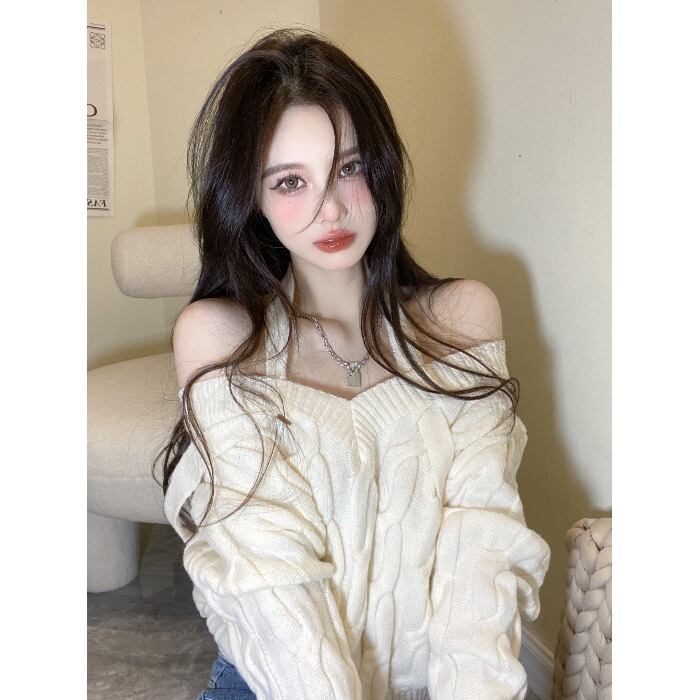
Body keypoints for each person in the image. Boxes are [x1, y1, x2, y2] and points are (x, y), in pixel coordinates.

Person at [156, 27, 551, 700]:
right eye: (291, 181)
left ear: (382, 169)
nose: (332, 208)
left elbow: (481, 543)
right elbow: (270, 581)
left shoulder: (460, 319)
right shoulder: (221, 339)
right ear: (251, 199)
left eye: (349, 168)